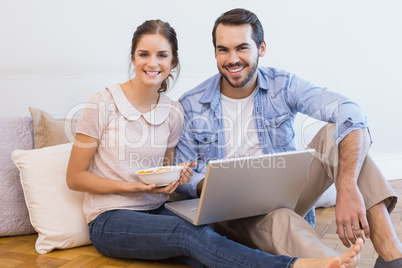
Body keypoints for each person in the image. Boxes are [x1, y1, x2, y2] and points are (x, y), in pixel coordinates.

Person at [66, 19, 363, 268]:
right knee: (192, 237)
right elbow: (75, 178)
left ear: (173, 62)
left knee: (211, 240)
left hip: (157, 210)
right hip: (111, 219)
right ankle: (293, 264)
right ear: (133, 58)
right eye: (144, 54)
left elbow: (165, 170)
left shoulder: (173, 112)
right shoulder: (102, 102)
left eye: (162, 55)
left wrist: (179, 176)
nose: (152, 63)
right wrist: (134, 187)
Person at [175, 8, 402, 268]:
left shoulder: (282, 84)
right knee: (279, 217)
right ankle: (334, 263)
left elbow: (351, 113)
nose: (232, 59)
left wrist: (346, 186)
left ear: (261, 49)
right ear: (215, 52)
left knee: (335, 133)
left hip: (285, 196)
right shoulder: (192, 103)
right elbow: (182, 175)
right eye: (223, 49)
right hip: (232, 215)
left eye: (242, 48)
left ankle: (392, 257)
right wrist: (210, 184)